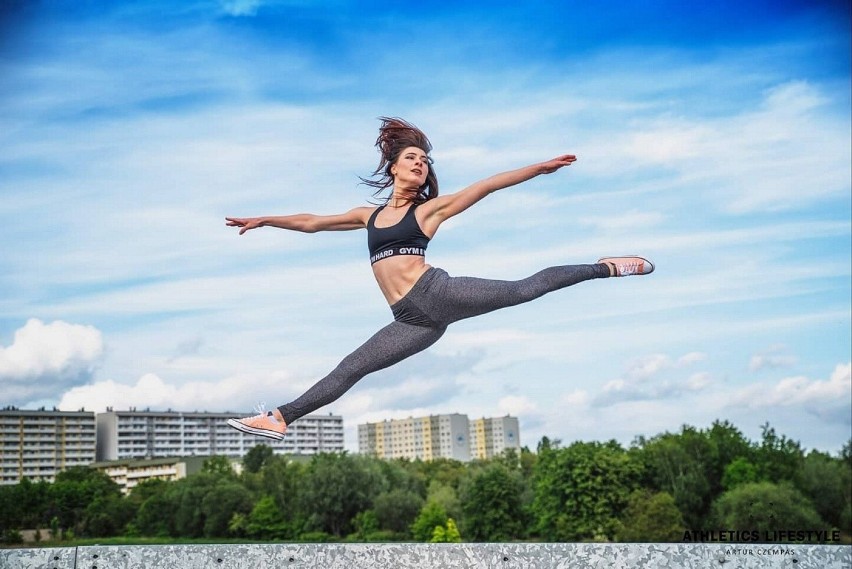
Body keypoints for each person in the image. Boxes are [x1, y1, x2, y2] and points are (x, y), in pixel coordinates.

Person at [224, 117, 653, 440]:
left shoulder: (425, 211)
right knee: (352, 368)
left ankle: (608, 267)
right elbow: (313, 222)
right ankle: (280, 419)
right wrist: (266, 220)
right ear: (393, 167)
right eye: (412, 158)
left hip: (437, 292)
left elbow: (485, 186)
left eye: (425, 162)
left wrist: (537, 169)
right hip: (412, 321)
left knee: (523, 290)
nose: (421, 165)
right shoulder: (367, 215)